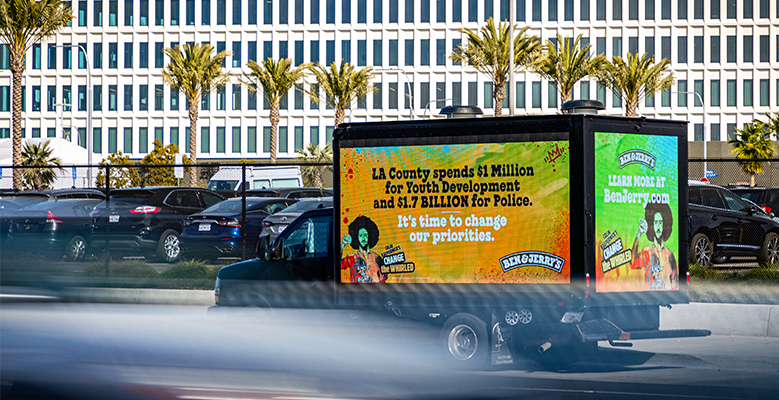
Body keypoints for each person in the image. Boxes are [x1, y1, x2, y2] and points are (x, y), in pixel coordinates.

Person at [631, 202, 679, 290]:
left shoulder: (670, 255)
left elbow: (675, 284)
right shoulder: (647, 252)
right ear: (651, 225)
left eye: (660, 222)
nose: (658, 227)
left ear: (664, 225)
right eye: (656, 222)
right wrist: (639, 233)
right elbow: (633, 263)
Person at [341, 216, 386, 283]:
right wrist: (342, 245)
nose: (363, 238)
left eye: (365, 235)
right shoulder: (351, 257)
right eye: (360, 235)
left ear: (369, 236)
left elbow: (383, 280)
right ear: (357, 237)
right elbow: (336, 264)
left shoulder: (377, 258)